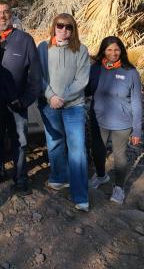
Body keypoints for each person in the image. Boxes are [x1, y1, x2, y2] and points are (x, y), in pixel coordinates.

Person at [0, 0, 41, 193]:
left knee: (20, 141)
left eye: (5, 12)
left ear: (12, 15)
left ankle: (20, 178)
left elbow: (36, 75)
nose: (2, 16)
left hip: (17, 103)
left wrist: (25, 100)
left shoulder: (25, 40)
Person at [38, 13, 90, 211]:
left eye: (69, 27)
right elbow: (38, 75)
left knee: (77, 150)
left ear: (73, 29)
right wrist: (51, 96)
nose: (64, 30)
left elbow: (82, 80)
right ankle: (59, 178)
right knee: (55, 143)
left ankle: (80, 196)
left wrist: (63, 98)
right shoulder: (43, 48)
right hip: (49, 104)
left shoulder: (81, 50)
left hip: (73, 106)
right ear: (54, 27)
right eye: (60, 26)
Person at [87, 36, 142, 204]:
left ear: (122, 51)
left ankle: (118, 187)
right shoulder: (95, 68)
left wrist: (137, 128)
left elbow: (136, 102)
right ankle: (101, 176)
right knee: (97, 151)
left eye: (116, 50)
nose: (113, 53)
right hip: (98, 118)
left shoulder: (131, 72)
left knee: (119, 155)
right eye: (109, 49)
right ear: (103, 51)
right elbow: (87, 89)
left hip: (122, 122)